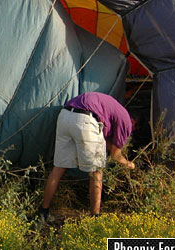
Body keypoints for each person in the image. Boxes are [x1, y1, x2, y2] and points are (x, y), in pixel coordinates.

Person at [39, 91, 135, 221]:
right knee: (96, 172)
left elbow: (103, 140)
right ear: (134, 122)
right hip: (86, 119)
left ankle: (43, 212)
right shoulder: (127, 122)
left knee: (58, 168)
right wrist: (130, 165)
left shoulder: (112, 107)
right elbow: (115, 155)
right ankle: (95, 217)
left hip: (65, 116)